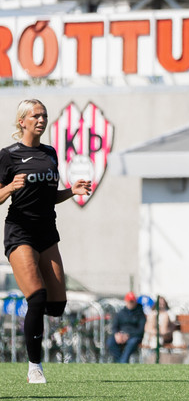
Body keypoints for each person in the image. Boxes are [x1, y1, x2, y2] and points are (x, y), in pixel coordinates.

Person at [0, 99, 92, 383]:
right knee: (37, 297)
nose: (41, 120)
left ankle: (35, 306)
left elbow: (48, 196)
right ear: (22, 121)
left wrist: (71, 191)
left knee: (57, 306)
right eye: (35, 116)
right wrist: (9, 187)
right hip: (20, 231)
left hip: (47, 233)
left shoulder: (50, 153)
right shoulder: (8, 155)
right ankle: (34, 366)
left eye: (44, 115)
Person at [107, 291, 146, 363]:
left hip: (134, 336)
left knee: (132, 343)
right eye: (129, 301)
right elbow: (115, 327)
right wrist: (117, 334)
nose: (130, 303)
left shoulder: (140, 314)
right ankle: (119, 361)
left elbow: (141, 330)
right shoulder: (121, 313)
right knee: (110, 342)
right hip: (121, 335)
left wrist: (128, 335)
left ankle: (123, 361)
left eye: (132, 301)